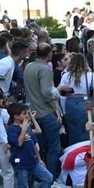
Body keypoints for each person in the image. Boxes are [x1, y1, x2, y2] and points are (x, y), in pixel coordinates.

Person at [24, 44, 64, 179]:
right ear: (49, 55)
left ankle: (37, 178)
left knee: (37, 148)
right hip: (46, 113)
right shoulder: (45, 69)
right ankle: (50, 178)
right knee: (54, 148)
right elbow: (47, 93)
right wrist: (56, 108)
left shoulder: (28, 67)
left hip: (33, 114)